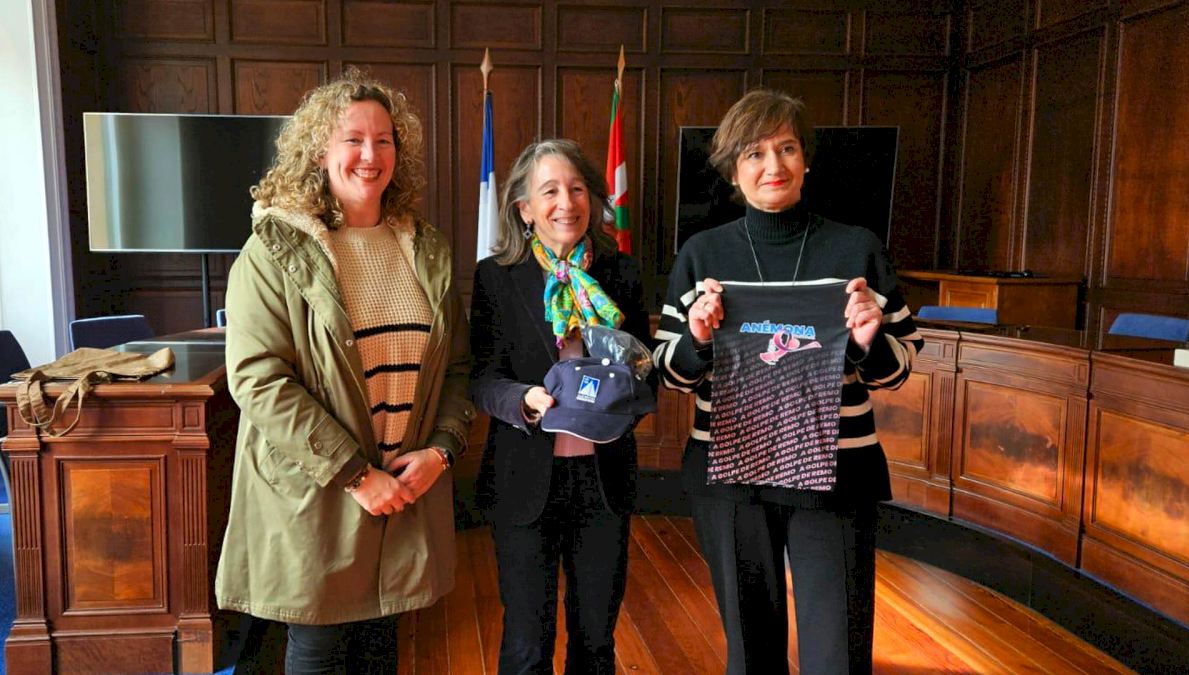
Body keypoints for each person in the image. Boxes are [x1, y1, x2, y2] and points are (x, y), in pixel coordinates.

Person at [652, 89, 924, 675]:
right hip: (731, 477)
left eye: (787, 148)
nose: (772, 165)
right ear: (732, 170)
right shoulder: (702, 254)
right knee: (751, 654)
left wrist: (868, 341)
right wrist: (697, 338)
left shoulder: (856, 248)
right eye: (754, 153)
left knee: (837, 654)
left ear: (806, 160)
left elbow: (901, 366)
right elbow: (670, 371)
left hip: (837, 477)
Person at [215, 70, 474, 674]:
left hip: (404, 495)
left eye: (384, 140)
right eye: (352, 139)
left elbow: (458, 368)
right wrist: (357, 475)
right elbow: (259, 381)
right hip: (318, 495)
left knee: (381, 648)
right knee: (320, 652)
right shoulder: (273, 250)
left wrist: (441, 451)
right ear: (318, 151)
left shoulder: (426, 249)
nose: (369, 155)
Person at [470, 139, 652, 675]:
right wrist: (523, 402)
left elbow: (646, 373)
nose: (566, 203)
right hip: (524, 479)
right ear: (525, 208)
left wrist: (622, 400)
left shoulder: (623, 274)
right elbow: (481, 377)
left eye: (576, 189)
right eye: (549, 191)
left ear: (593, 200)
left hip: (603, 481)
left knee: (595, 640)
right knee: (527, 643)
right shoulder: (495, 277)